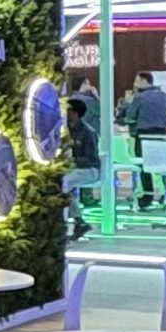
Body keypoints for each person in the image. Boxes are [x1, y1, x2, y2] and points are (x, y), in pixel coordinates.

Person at [118, 71, 166, 210]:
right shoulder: (164, 96)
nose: (134, 83)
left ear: (144, 81)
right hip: (161, 134)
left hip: (144, 134)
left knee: (144, 166)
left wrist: (128, 103)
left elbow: (130, 116)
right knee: (164, 166)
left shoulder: (139, 97)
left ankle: (147, 196)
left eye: (137, 80)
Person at [65, 97, 102, 240]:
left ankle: (75, 220)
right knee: (61, 184)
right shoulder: (65, 129)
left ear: (75, 113)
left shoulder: (88, 132)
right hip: (73, 169)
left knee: (64, 183)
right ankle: (78, 221)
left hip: (90, 170)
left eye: (68, 111)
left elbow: (91, 159)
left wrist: (71, 162)